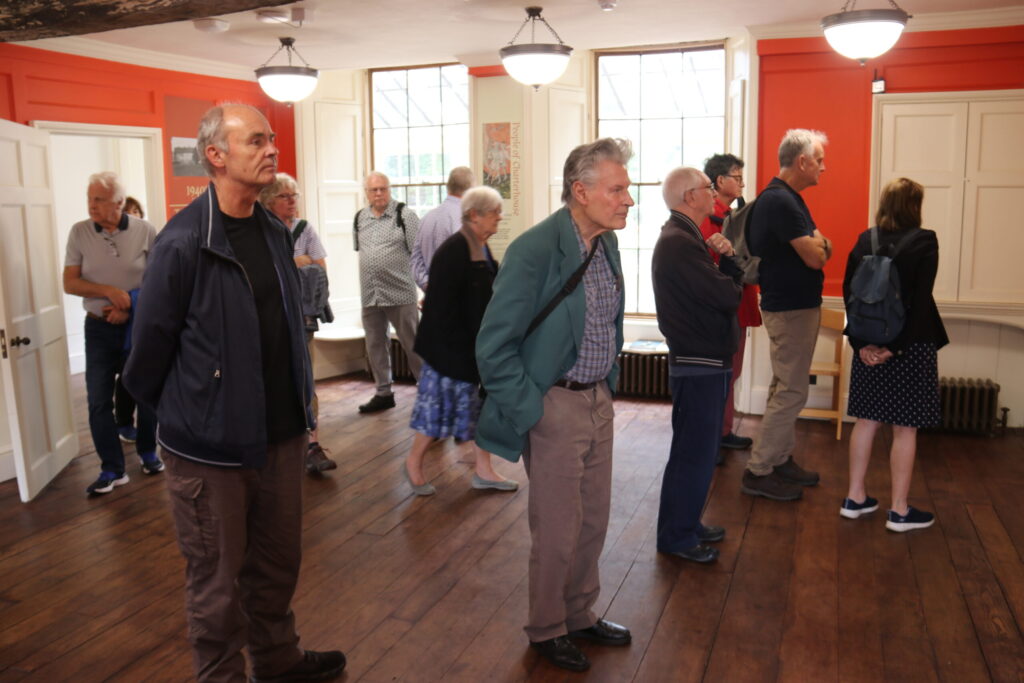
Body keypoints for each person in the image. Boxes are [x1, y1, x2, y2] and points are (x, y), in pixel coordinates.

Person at [123, 103, 345, 683]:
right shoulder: (183, 243)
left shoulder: (273, 231)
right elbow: (145, 361)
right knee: (217, 585)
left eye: (271, 139)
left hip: (280, 435)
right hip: (210, 451)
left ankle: (278, 661)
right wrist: (196, 418)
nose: (272, 149)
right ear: (216, 156)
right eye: (256, 141)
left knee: (276, 567)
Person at [476, 138, 634, 673]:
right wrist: (533, 409)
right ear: (580, 190)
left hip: (597, 398)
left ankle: (579, 613)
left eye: (626, 188)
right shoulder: (534, 249)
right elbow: (492, 346)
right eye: (617, 189)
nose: (627, 199)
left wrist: (607, 382)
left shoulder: (605, 242)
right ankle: (547, 628)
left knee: (593, 521)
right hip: (554, 405)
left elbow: (607, 318)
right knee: (559, 527)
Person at [841, 177, 947, 532]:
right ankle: (899, 510)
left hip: (867, 342)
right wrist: (896, 348)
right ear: (914, 206)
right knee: (905, 429)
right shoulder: (924, 241)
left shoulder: (863, 240)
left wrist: (863, 346)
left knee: (866, 421)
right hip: (909, 347)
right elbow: (918, 303)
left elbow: (849, 296)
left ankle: (855, 498)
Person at [652, 167, 742, 564]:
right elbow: (726, 296)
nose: (714, 194)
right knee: (693, 452)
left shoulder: (686, 238)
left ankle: (686, 522)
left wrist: (722, 260)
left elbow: (720, 292)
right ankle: (677, 535)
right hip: (698, 360)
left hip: (703, 358)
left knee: (699, 452)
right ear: (691, 197)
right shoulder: (680, 243)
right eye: (708, 188)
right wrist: (729, 262)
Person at [403, 186, 518, 495]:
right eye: (494, 212)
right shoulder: (454, 250)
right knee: (435, 413)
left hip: (472, 350)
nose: (499, 217)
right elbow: (440, 308)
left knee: (480, 412)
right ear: (474, 215)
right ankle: (413, 463)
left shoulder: (480, 246)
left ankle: (484, 470)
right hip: (449, 352)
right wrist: (457, 353)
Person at [743, 129, 832, 502]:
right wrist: (820, 244)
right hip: (790, 307)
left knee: (786, 387)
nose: (823, 168)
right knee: (792, 390)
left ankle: (778, 459)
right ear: (802, 161)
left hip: (794, 305)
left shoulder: (786, 199)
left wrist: (819, 242)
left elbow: (818, 243)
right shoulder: (780, 201)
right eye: (820, 160)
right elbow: (816, 253)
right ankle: (759, 470)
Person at [63, 171, 161, 496]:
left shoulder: (146, 231)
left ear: (119, 203)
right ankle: (113, 469)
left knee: (146, 393)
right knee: (97, 400)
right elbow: (70, 282)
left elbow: (163, 281)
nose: (91, 204)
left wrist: (128, 304)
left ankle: (148, 452)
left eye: (99, 199)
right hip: (98, 330)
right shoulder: (79, 232)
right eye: (90, 197)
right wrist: (109, 291)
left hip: (140, 325)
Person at [260, 172, 337, 476]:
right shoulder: (260, 228)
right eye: (285, 196)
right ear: (269, 200)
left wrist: (298, 263)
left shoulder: (305, 229)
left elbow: (320, 268)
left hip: (302, 317)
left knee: (306, 380)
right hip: (269, 319)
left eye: (295, 196)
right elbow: (266, 270)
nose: (292, 202)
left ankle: (312, 445)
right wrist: (297, 261)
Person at [700, 153, 761, 455]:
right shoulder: (713, 218)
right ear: (720, 180)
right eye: (737, 177)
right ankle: (713, 436)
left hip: (738, 304)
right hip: (725, 307)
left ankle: (722, 431)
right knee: (722, 373)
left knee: (730, 372)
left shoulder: (734, 215)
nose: (742, 183)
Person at [354, 171, 423, 413]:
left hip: (401, 293)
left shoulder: (405, 215)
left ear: (389, 189)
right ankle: (383, 392)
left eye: (383, 188)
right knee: (374, 344)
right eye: (374, 190)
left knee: (413, 345)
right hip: (370, 294)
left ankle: (428, 394)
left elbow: (419, 254)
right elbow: (362, 252)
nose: (379, 193)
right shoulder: (360, 218)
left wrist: (426, 287)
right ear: (367, 193)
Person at [410, 166, 475, 290]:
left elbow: (415, 262)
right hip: (459, 300)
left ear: (448, 187)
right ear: (471, 190)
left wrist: (429, 287)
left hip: (433, 300)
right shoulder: (466, 221)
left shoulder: (426, 219)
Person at [115, 195, 144, 442]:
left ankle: (148, 439)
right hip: (118, 321)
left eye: (137, 211)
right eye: (128, 211)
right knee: (125, 375)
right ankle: (123, 422)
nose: (133, 215)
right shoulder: (115, 249)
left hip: (143, 318)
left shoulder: (148, 239)